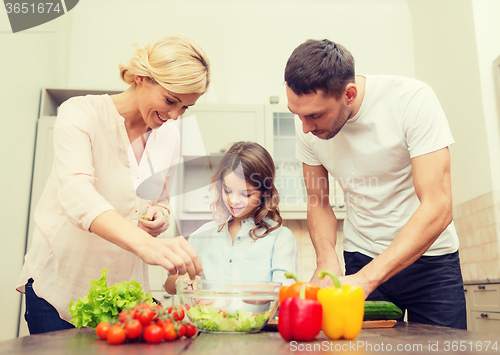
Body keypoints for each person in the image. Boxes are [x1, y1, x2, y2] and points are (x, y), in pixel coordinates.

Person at [17, 35, 210, 334]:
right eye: (171, 100)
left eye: (185, 107)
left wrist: (159, 216)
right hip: (61, 285)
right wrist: (146, 245)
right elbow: (77, 195)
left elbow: (158, 200)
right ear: (141, 77)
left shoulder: (169, 136)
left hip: (124, 294)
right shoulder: (81, 113)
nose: (174, 115)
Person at [285, 39, 466, 329]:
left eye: (315, 115)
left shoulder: (411, 100)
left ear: (349, 94)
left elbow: (439, 206)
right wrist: (326, 258)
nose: (305, 127)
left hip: (431, 262)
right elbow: (318, 201)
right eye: (298, 115)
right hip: (361, 255)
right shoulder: (306, 124)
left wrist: (368, 279)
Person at [164, 141, 298, 295]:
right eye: (227, 190)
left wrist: (236, 294)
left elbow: (286, 292)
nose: (233, 201)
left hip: (262, 320)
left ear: (264, 192)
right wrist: (182, 280)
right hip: (210, 319)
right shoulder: (203, 233)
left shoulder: (280, 238)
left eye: (246, 194)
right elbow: (169, 286)